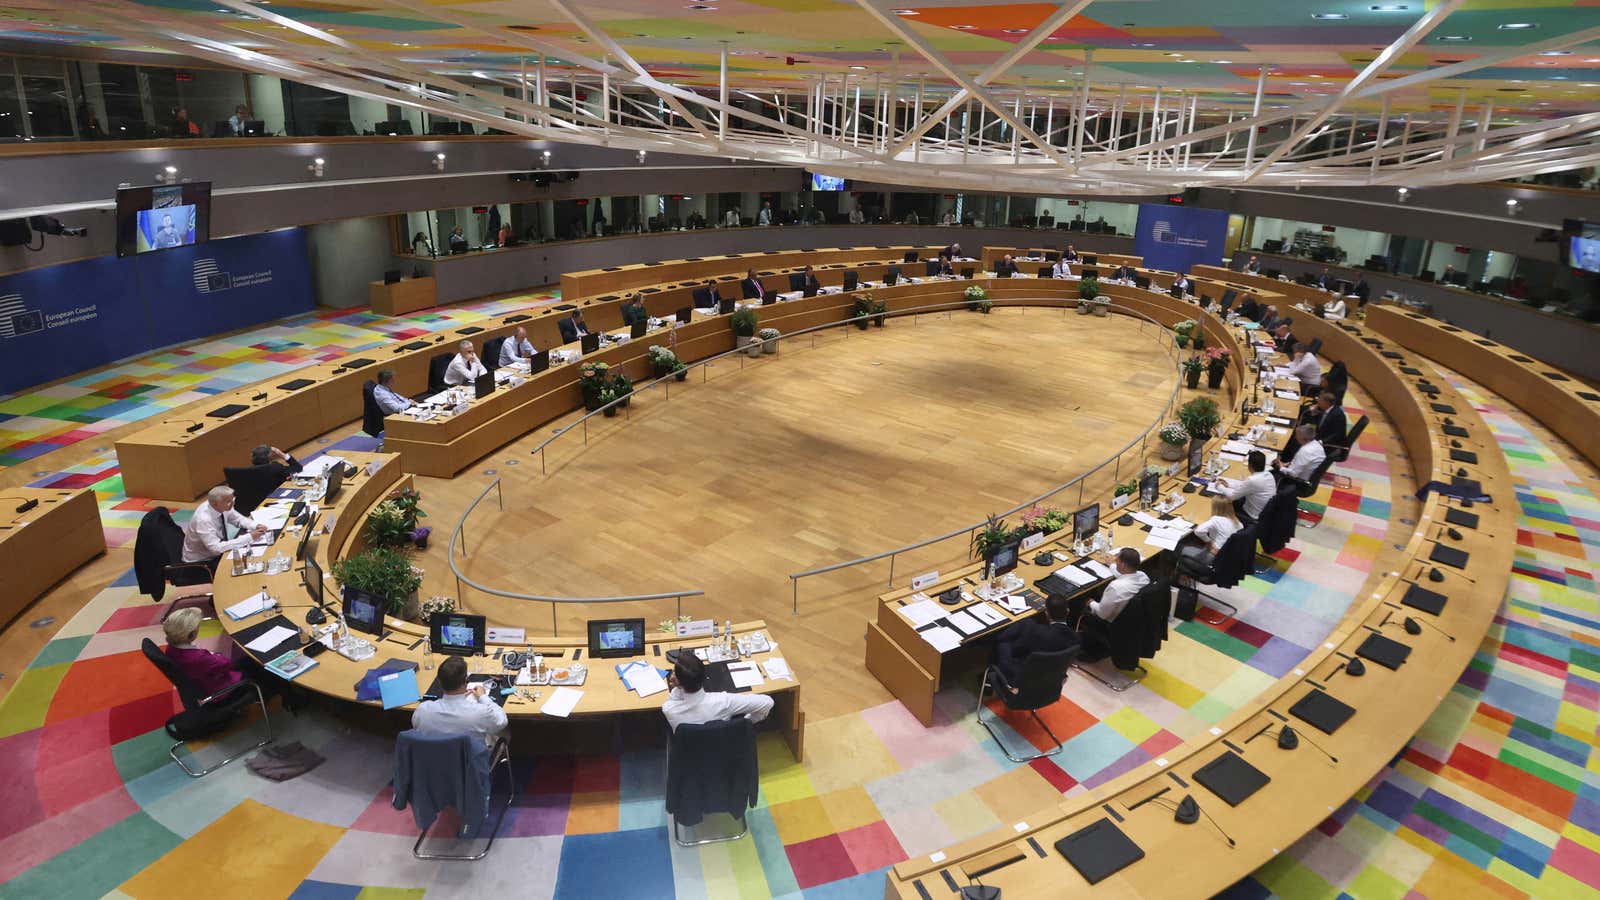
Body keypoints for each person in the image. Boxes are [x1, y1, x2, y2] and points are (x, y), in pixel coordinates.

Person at [661, 651, 774, 732]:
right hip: (722, 745)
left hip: (691, 751)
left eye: (674, 672)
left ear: (677, 682)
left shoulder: (669, 709)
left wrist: (677, 685)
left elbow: (674, 696)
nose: (672, 675)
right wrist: (745, 723)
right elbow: (767, 702)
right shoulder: (723, 702)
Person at [411, 656, 507, 749]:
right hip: (470, 764)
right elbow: (502, 721)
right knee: (505, 733)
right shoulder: (480, 713)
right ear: (466, 681)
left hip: (432, 763)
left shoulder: (422, 710)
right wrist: (483, 697)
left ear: (439, 682)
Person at [990, 593, 1080, 689]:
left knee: (1003, 643)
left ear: (1046, 613)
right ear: (1068, 611)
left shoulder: (1035, 631)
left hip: (1020, 677)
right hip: (1050, 680)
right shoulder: (1076, 638)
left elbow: (1016, 649)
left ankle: (991, 677)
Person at [1073, 548, 1147, 658]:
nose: (1115, 559)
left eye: (1117, 559)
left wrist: (1090, 602)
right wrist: (1111, 565)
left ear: (1122, 565)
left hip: (1110, 621)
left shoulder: (1116, 587)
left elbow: (1101, 614)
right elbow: (1124, 575)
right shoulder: (1143, 577)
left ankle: (1083, 645)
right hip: (1129, 618)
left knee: (1077, 601)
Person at [181, 485, 268, 569]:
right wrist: (249, 537)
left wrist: (255, 525)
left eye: (233, 499)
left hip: (217, 552)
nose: (232, 503)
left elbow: (238, 519)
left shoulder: (221, 505)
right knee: (245, 564)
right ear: (215, 504)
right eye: (228, 501)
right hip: (202, 562)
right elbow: (216, 548)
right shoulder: (203, 520)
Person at [229, 444, 303, 513]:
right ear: (270, 457)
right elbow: (297, 467)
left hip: (254, 509)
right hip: (276, 505)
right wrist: (281, 453)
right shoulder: (275, 467)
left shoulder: (246, 472)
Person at [1178, 496, 1241, 572]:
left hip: (1213, 557)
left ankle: (1173, 576)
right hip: (1227, 557)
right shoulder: (1238, 523)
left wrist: (1208, 542)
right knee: (1191, 542)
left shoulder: (1216, 519)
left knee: (1175, 548)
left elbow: (1198, 531)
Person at [1217, 450, 1275, 525]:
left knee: (1221, 504)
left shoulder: (1253, 480)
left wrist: (1219, 486)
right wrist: (1228, 485)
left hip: (1252, 514)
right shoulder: (1268, 474)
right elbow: (1245, 486)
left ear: (1250, 465)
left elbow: (1232, 496)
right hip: (1264, 511)